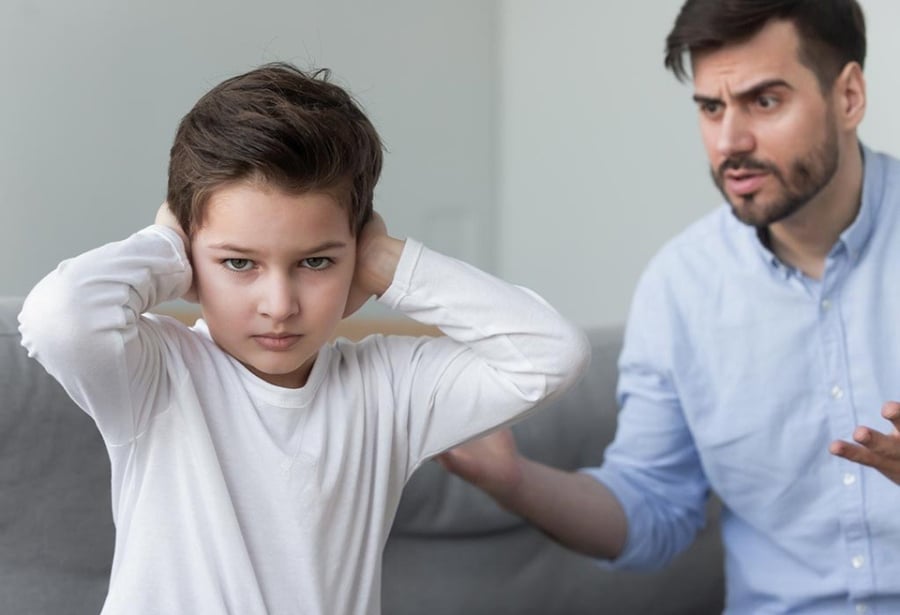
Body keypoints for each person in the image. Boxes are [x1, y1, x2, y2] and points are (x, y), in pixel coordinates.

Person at [17, 62, 590, 615]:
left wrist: (387, 262)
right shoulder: (156, 373)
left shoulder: (389, 390)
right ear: (193, 258)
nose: (280, 305)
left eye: (315, 261)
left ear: (355, 255)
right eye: (239, 262)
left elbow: (552, 355)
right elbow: (59, 317)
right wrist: (167, 248)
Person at [439, 1, 900, 612]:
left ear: (848, 97)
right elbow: (650, 506)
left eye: (765, 101)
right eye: (711, 108)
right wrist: (512, 480)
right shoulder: (681, 286)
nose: (730, 142)